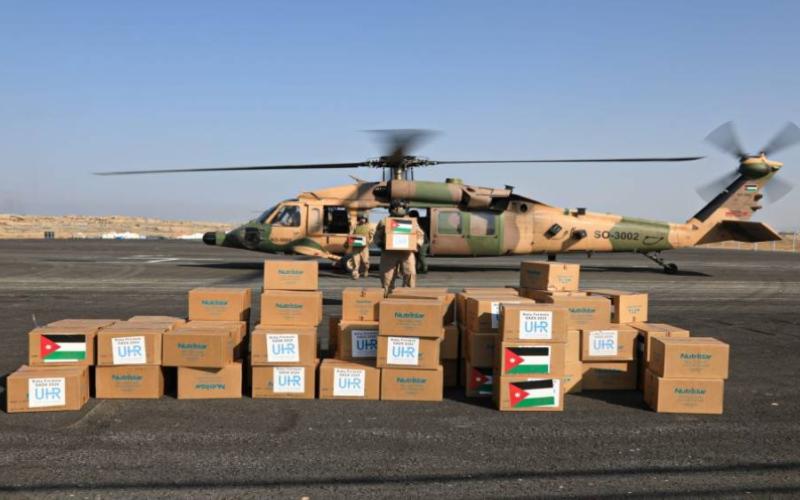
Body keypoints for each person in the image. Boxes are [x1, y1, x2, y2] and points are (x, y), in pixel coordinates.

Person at [374, 203, 425, 295]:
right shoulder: (384, 221)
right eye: (395, 207)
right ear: (391, 209)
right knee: (387, 276)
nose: (398, 209)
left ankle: (407, 295)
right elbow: (377, 235)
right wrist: (380, 244)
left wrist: (417, 244)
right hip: (389, 253)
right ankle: (387, 295)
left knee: (410, 273)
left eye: (401, 207)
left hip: (407, 252)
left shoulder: (411, 221)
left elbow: (420, 234)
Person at [345, 213, 374, 280]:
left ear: (366, 219)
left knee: (365, 261)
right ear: (359, 219)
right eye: (361, 218)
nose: (362, 220)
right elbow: (350, 235)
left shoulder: (369, 227)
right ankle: (355, 274)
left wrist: (369, 241)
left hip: (364, 247)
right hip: (356, 246)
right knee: (355, 261)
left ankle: (365, 270)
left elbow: (372, 237)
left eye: (364, 218)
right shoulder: (355, 226)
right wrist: (347, 243)